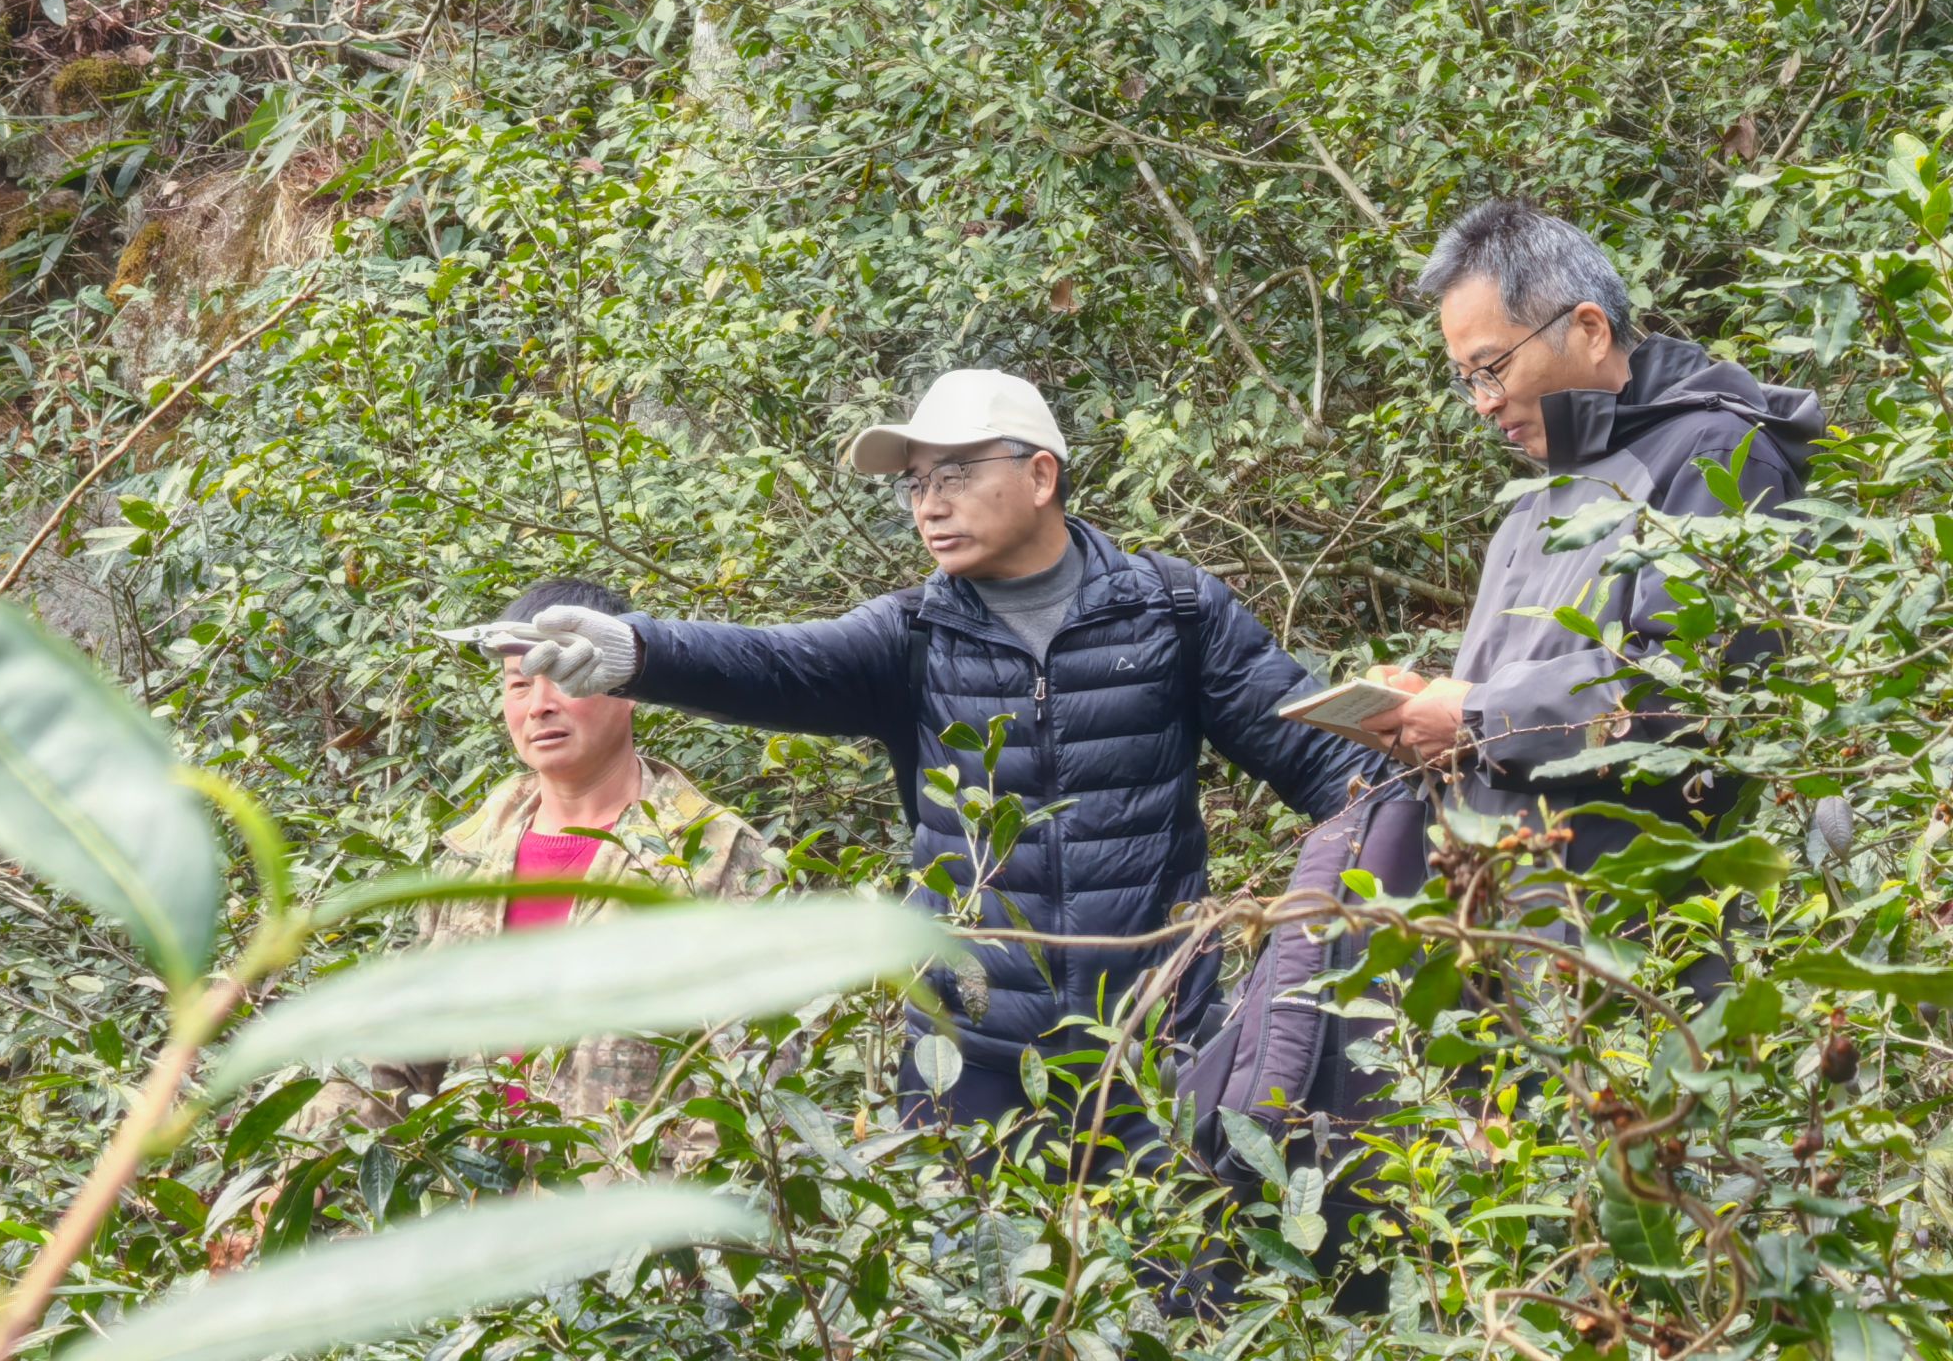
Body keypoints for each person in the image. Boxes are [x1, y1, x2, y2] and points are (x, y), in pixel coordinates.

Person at [512, 369, 1384, 1140]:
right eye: (918, 483)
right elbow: (778, 662)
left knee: (1178, 1269)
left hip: (1157, 1052)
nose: (929, 503)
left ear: (1040, 475)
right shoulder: (912, 637)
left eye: (957, 474)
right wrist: (638, 651)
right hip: (968, 1068)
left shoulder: (1175, 614)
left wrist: (1321, 961)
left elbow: (1334, 774)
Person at [1361, 199, 1826, 879]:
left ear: (1589, 329)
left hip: (1629, 911)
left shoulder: (1715, 454)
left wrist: (1476, 716)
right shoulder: (1534, 504)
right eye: (1468, 381)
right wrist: (1425, 712)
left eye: (1493, 367)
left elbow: (1696, 695)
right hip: (1502, 904)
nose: (1484, 402)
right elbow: (1506, 705)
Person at [298, 576, 771, 1159]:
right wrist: (299, 1168)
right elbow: (400, 1047)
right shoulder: (474, 854)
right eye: (519, 684)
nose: (539, 705)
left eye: (565, 679)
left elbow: (747, 1084)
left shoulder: (712, 854)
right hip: (480, 1197)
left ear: (628, 686)